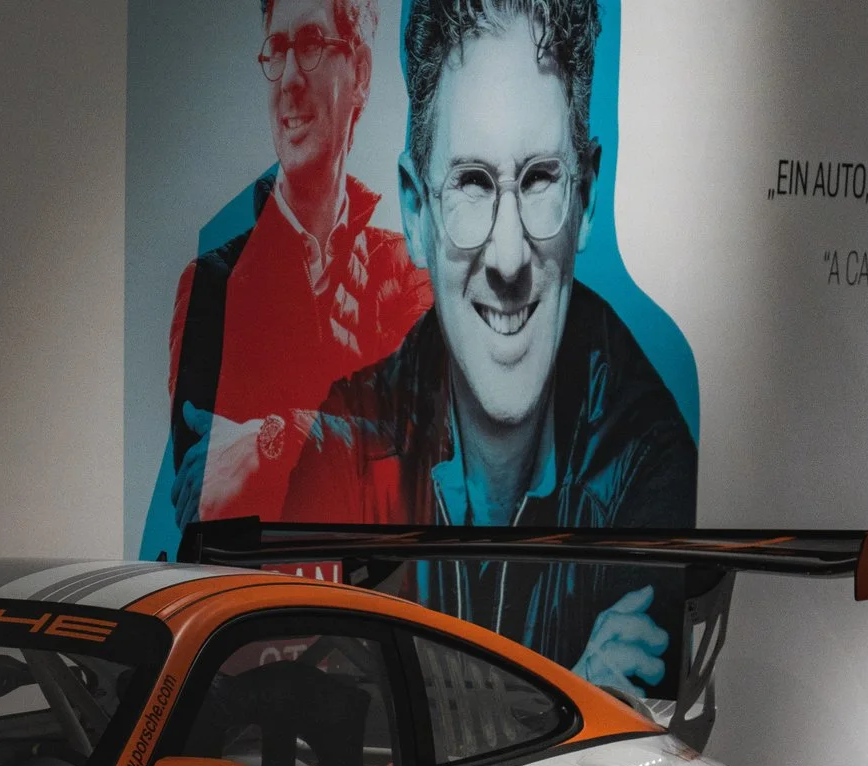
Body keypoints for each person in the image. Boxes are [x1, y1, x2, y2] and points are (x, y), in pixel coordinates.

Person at [282, 0, 695, 695]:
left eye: (538, 179)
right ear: (417, 213)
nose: (507, 257)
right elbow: (303, 723)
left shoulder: (646, 458)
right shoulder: (345, 445)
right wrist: (565, 694)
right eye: (472, 183)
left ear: (586, 199)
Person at [163, 0, 433, 530]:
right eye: (277, 50)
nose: (288, 79)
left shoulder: (405, 275)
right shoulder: (210, 286)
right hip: (259, 603)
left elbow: (428, 458)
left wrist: (268, 442)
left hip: (378, 603)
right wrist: (357, 447)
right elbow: (204, 496)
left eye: (310, 45)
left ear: (359, 73)